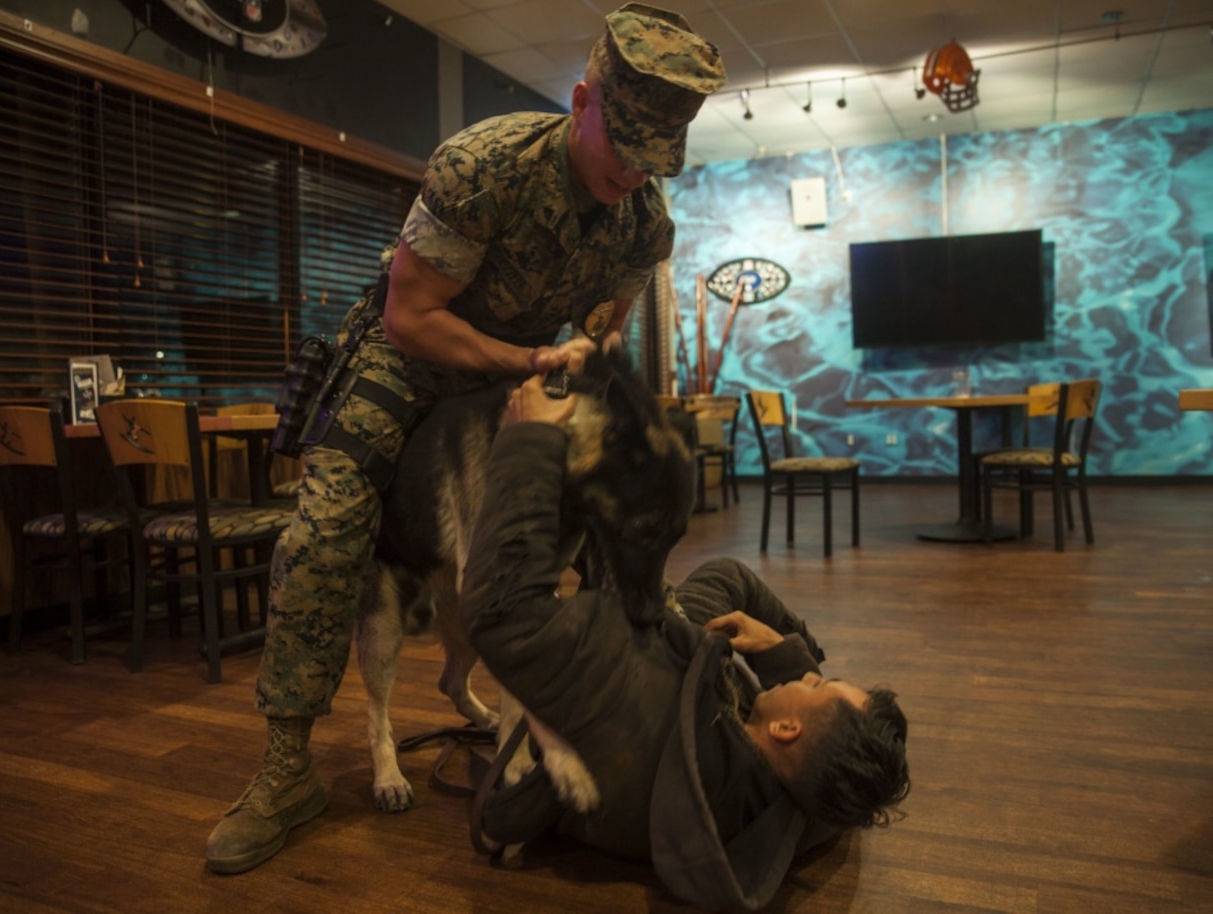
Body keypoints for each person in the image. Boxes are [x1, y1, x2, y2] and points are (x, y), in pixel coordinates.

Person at [205, 3, 727, 875]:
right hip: (407, 356)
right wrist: (527, 358)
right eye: (623, 144)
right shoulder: (483, 165)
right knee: (326, 530)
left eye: (656, 158)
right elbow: (412, 317)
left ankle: (630, 718)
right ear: (580, 101)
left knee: (607, 516)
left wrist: (574, 384)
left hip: (514, 377)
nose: (635, 173)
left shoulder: (645, 224)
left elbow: (599, 334)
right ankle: (287, 769)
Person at [460, 376, 910, 911]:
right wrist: (781, 654)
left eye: (820, 687)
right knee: (728, 577)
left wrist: (528, 441)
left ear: (788, 730)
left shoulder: (637, 699)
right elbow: (848, 800)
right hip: (685, 678)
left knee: (610, 516)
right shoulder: (808, 801)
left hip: (618, 690)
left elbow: (500, 612)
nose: (812, 675)